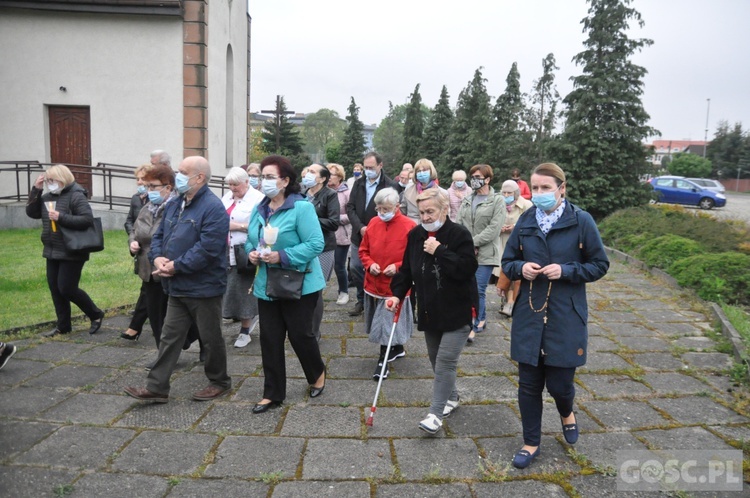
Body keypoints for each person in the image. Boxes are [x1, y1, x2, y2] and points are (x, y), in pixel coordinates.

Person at [502, 162, 609, 469]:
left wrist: (567, 270)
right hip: (530, 312)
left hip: (566, 314)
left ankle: (567, 412)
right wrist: (519, 268)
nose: (539, 194)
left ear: (562, 189)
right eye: (534, 188)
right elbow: (508, 260)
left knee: (561, 385)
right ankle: (531, 442)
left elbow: (600, 265)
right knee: (528, 384)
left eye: (545, 188)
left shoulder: (581, 221)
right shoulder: (525, 220)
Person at [124, 156, 232, 403]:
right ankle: (157, 387)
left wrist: (176, 266)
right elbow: (159, 234)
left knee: (210, 337)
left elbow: (208, 249)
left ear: (200, 178)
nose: (177, 175)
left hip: (204, 287)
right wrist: (158, 257)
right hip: (176, 285)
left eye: (183, 172)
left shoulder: (213, 208)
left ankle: (219, 381)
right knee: (169, 336)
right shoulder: (176, 203)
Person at [387, 188, 477, 434]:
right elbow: (406, 269)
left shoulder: (458, 234)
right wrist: (396, 294)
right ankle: (453, 397)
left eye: (430, 211)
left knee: (446, 361)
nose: (425, 217)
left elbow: (467, 269)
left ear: (445, 209)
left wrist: (440, 251)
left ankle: (435, 415)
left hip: (456, 310)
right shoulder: (415, 235)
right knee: (436, 360)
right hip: (429, 309)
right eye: (422, 212)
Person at [245, 155, 327, 413]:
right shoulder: (260, 208)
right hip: (267, 283)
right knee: (269, 337)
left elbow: (316, 244)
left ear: (285, 181)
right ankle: (272, 393)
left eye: (269, 177)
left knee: (300, 335)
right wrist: (252, 252)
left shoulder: (301, 208)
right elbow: (250, 240)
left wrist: (282, 255)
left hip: (299, 283)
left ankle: (316, 373)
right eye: (262, 177)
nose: (263, 182)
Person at [26, 165, 105, 338]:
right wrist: (36, 190)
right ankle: (63, 326)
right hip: (52, 249)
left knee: (67, 288)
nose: (49, 184)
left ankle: (95, 314)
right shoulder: (47, 197)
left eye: (52, 180)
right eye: (47, 181)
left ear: (62, 179)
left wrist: (61, 217)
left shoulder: (76, 196)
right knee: (55, 289)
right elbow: (32, 212)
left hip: (72, 250)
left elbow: (86, 220)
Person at [359, 188, 415, 380]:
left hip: (395, 285)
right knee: (379, 320)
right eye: (379, 208)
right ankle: (397, 347)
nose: (381, 213)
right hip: (374, 282)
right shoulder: (373, 223)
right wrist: (369, 264)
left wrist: (398, 266)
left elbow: (414, 257)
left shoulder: (409, 226)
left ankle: (383, 361)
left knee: (386, 323)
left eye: (386, 209)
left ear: (397, 206)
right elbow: (363, 250)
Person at [121, 164, 177, 348]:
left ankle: (199, 343)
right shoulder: (148, 207)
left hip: (169, 268)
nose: (149, 191)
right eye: (148, 186)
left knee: (180, 316)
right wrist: (133, 242)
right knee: (155, 317)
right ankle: (163, 352)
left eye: (153, 187)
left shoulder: (176, 208)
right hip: (148, 270)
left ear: (168, 187)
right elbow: (135, 229)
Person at [457, 164, 505, 343]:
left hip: (485, 253)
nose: (474, 180)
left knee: (478, 288)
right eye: (472, 176)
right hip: (466, 252)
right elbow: (459, 222)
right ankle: (481, 318)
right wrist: (464, 243)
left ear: (487, 179)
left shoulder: (497, 200)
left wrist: (473, 242)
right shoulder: (468, 199)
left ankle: (476, 321)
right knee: (466, 287)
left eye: (478, 176)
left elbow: (494, 228)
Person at [345, 152, 398, 316]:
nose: (367, 170)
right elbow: (350, 207)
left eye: (371, 167)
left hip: (380, 237)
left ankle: (376, 299)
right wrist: (360, 227)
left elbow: (392, 211)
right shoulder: (358, 183)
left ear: (380, 166)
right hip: (359, 234)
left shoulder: (389, 185)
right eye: (365, 167)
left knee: (376, 268)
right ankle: (362, 299)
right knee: (355, 267)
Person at [222, 167, 264, 348]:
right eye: (230, 185)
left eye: (236, 185)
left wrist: (238, 226)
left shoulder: (258, 199)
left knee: (244, 289)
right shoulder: (226, 197)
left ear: (247, 182)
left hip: (245, 250)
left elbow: (262, 226)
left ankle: (245, 330)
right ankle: (233, 317)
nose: (232, 188)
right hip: (223, 250)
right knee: (228, 288)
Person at [303, 164, 340, 341]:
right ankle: (302, 325)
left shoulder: (330, 195)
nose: (307, 174)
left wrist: (310, 219)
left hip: (323, 248)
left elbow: (334, 222)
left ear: (323, 178)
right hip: (302, 247)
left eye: (312, 172)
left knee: (315, 289)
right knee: (302, 288)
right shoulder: (301, 195)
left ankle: (313, 331)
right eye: (307, 171)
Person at [121, 163, 152, 340]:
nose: (139, 182)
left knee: (148, 291)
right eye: (137, 179)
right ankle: (135, 327)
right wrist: (133, 239)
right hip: (141, 251)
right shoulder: (135, 199)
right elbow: (129, 222)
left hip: (153, 252)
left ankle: (135, 327)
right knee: (147, 290)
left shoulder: (157, 199)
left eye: (143, 179)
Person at [494, 179, 533, 316]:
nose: (506, 195)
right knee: (504, 271)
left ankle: (512, 302)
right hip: (502, 241)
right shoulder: (497, 203)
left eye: (509, 192)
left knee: (516, 271)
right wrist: (499, 227)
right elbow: (492, 220)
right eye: (503, 192)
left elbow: (531, 223)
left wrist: (515, 228)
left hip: (520, 242)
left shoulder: (527, 205)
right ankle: (508, 301)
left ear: (516, 193)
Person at [327, 163, 351, 305]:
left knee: (339, 265)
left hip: (341, 234)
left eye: (332, 175)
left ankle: (344, 291)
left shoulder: (347, 193)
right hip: (325, 234)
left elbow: (351, 214)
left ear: (340, 177)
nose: (329, 178)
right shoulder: (324, 192)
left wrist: (335, 219)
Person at [401, 158, 447, 224]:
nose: (422, 173)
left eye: (425, 170)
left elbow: (445, 216)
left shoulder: (442, 193)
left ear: (431, 171)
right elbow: (402, 211)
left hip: (432, 227)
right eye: (419, 171)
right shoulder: (408, 189)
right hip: (412, 227)